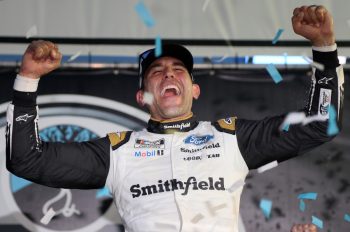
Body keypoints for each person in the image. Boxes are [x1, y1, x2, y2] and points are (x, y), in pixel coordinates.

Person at [5, 5, 344, 232]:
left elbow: (319, 123)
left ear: (194, 89)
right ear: (142, 97)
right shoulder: (117, 152)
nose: (169, 74)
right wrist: (28, 79)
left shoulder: (231, 138)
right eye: (157, 71)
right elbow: (26, 159)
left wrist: (325, 48)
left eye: (178, 69)